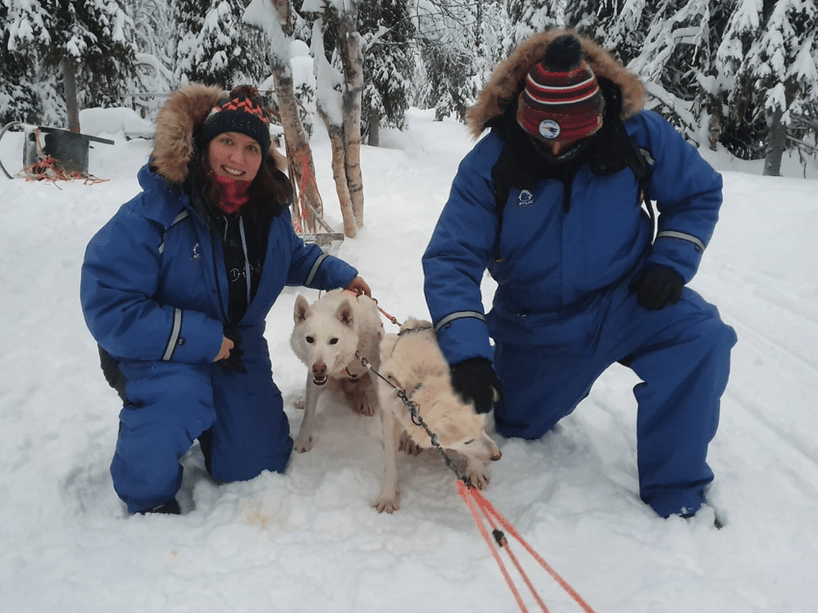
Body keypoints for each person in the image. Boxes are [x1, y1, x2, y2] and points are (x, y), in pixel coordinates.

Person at [422, 29, 737, 521]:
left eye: (570, 136)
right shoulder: (490, 164)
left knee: (702, 339)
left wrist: (671, 260)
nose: (555, 150)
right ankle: (524, 393)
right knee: (518, 423)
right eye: (543, 133)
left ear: (597, 118)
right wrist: (467, 352)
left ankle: (677, 495)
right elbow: (451, 259)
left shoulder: (639, 134)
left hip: (630, 298)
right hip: (537, 320)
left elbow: (697, 193)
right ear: (524, 115)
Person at [81, 84, 371, 515]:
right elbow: (109, 302)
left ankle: (218, 422)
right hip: (154, 348)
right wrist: (200, 339)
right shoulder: (156, 212)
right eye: (227, 142)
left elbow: (289, 256)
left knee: (256, 463)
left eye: (252, 147)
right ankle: (147, 493)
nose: (238, 159)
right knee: (180, 398)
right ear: (204, 144)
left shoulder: (265, 211)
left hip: (234, 344)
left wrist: (343, 275)